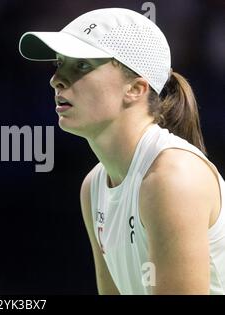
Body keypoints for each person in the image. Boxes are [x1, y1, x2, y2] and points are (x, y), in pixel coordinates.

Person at [19, 7, 225, 294]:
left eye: (81, 65)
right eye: (59, 63)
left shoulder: (171, 178)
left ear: (136, 89)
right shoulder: (93, 187)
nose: (56, 79)